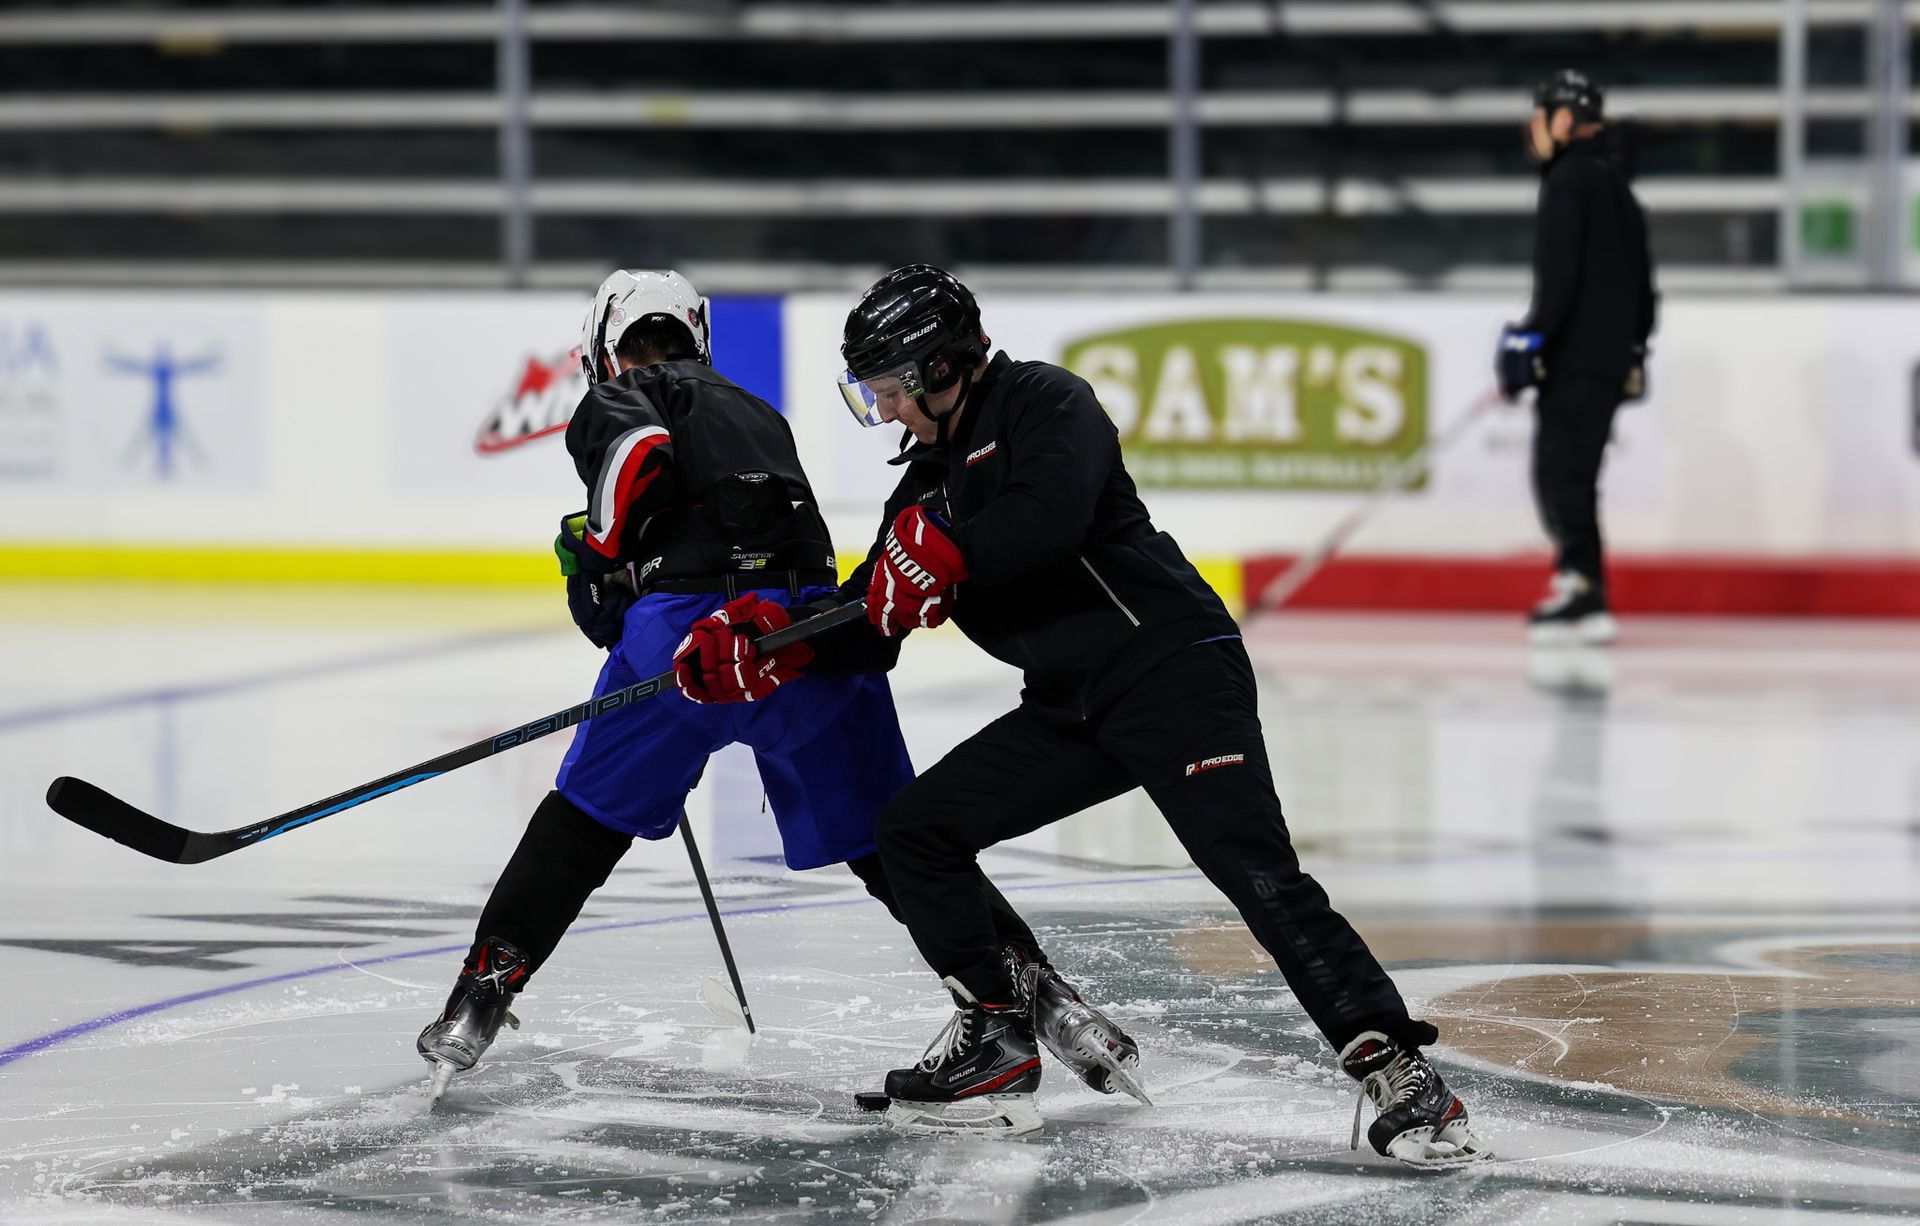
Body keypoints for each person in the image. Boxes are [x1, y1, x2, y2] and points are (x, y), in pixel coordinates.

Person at [678, 265, 1491, 1167]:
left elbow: (1049, 518)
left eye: (892, 391)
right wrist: (773, 639)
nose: (889, 412)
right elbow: (873, 618)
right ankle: (994, 1038)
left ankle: (1401, 1072)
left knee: (1252, 870)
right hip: (1072, 706)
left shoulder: (1047, 401)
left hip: (1173, 673)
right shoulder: (921, 489)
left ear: (942, 367)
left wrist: (950, 552)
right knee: (914, 832)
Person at [416, 270, 1136, 1110]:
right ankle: (1044, 1001)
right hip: (801, 635)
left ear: (603, 351)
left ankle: (478, 1001)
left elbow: (636, 466)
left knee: (582, 825)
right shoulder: (754, 407)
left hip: (686, 640)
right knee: (891, 848)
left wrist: (603, 555)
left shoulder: (625, 392)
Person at [1498, 69, 1658, 646]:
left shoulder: (1566, 181)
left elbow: (1558, 281)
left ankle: (1584, 590)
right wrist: (1635, 349)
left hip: (1577, 361)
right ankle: (1581, 584)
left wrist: (1530, 337)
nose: (1533, 129)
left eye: (1540, 115)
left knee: (1561, 475)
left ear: (1562, 119)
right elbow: (1645, 286)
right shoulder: (1618, 183)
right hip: (1609, 361)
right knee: (1576, 475)